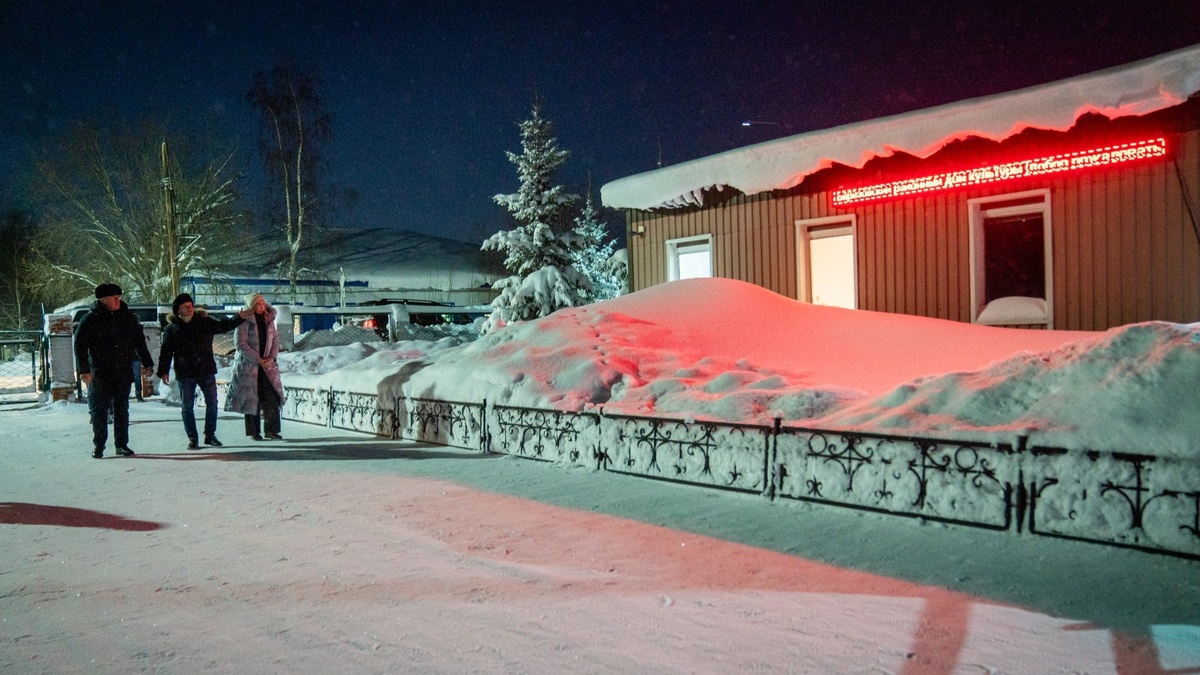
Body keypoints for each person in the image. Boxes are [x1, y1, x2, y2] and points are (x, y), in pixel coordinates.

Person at [157, 293, 250, 449]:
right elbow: (166, 352)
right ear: (178, 310)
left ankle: (210, 435)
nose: (190, 308)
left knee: (212, 403)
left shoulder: (203, 322)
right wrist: (163, 371)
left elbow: (223, 326)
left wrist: (239, 317)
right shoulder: (172, 329)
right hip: (185, 373)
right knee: (187, 406)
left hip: (205, 369)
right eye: (185, 306)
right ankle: (193, 438)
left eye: (191, 305)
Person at [74, 283, 154, 459]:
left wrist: (148, 363)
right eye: (113, 297)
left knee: (121, 409)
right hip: (99, 372)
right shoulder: (90, 320)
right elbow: (80, 346)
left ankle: (121, 444)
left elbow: (139, 343)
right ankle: (99, 444)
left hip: (122, 371)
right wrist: (84, 370)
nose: (118, 300)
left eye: (119, 297)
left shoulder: (127, 318)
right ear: (103, 300)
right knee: (99, 410)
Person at [224, 293, 285, 441]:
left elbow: (275, 340)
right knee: (251, 398)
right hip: (249, 366)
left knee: (271, 397)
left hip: (267, 366)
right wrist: (257, 358)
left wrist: (272, 357)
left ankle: (272, 430)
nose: (261, 306)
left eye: (262, 303)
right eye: (258, 304)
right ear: (251, 306)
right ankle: (254, 431)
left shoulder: (269, 320)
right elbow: (241, 344)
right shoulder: (244, 321)